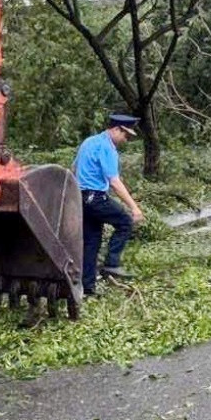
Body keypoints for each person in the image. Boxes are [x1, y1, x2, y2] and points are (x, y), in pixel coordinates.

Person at [74, 113, 145, 296]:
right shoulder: (107, 147)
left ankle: (87, 288)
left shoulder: (89, 141)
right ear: (116, 129)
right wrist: (134, 207)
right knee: (125, 222)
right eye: (125, 135)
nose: (125, 140)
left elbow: (73, 168)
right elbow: (114, 181)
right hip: (96, 197)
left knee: (91, 242)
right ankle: (111, 263)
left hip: (81, 197)